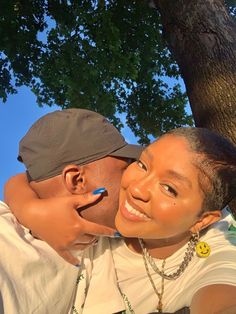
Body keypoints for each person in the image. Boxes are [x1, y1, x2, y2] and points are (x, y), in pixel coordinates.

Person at [5, 126, 236, 313]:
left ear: (203, 221)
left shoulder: (220, 247)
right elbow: (23, 180)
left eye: (168, 188)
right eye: (143, 164)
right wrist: (32, 210)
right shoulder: (101, 216)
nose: (137, 188)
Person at [0, 108, 142, 314]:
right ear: (77, 180)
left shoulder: (98, 242)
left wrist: (30, 209)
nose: (137, 178)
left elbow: (20, 181)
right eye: (126, 166)